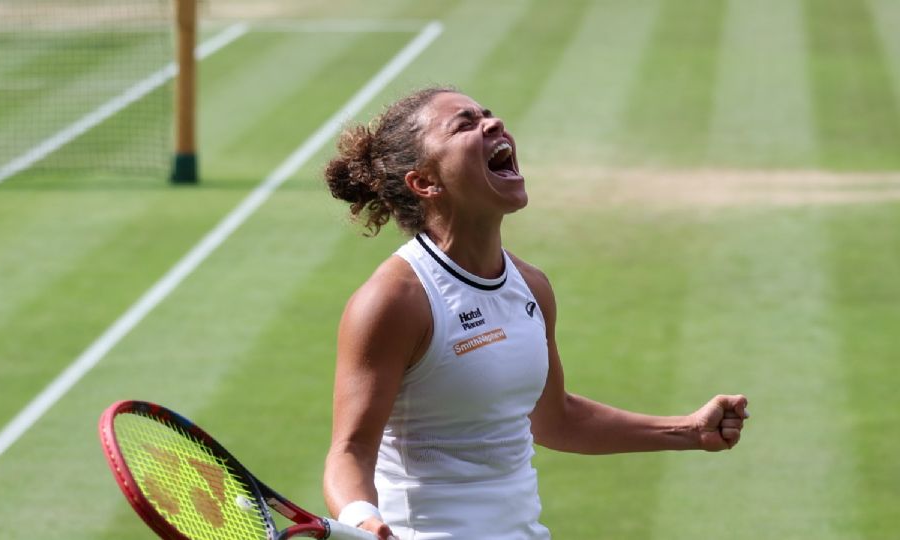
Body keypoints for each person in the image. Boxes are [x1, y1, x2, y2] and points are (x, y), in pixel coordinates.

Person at [321, 87, 748, 539]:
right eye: (464, 125)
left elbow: (554, 417)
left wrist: (687, 430)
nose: (492, 124)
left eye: (487, 114)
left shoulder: (531, 287)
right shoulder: (396, 300)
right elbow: (349, 450)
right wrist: (362, 520)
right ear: (425, 182)